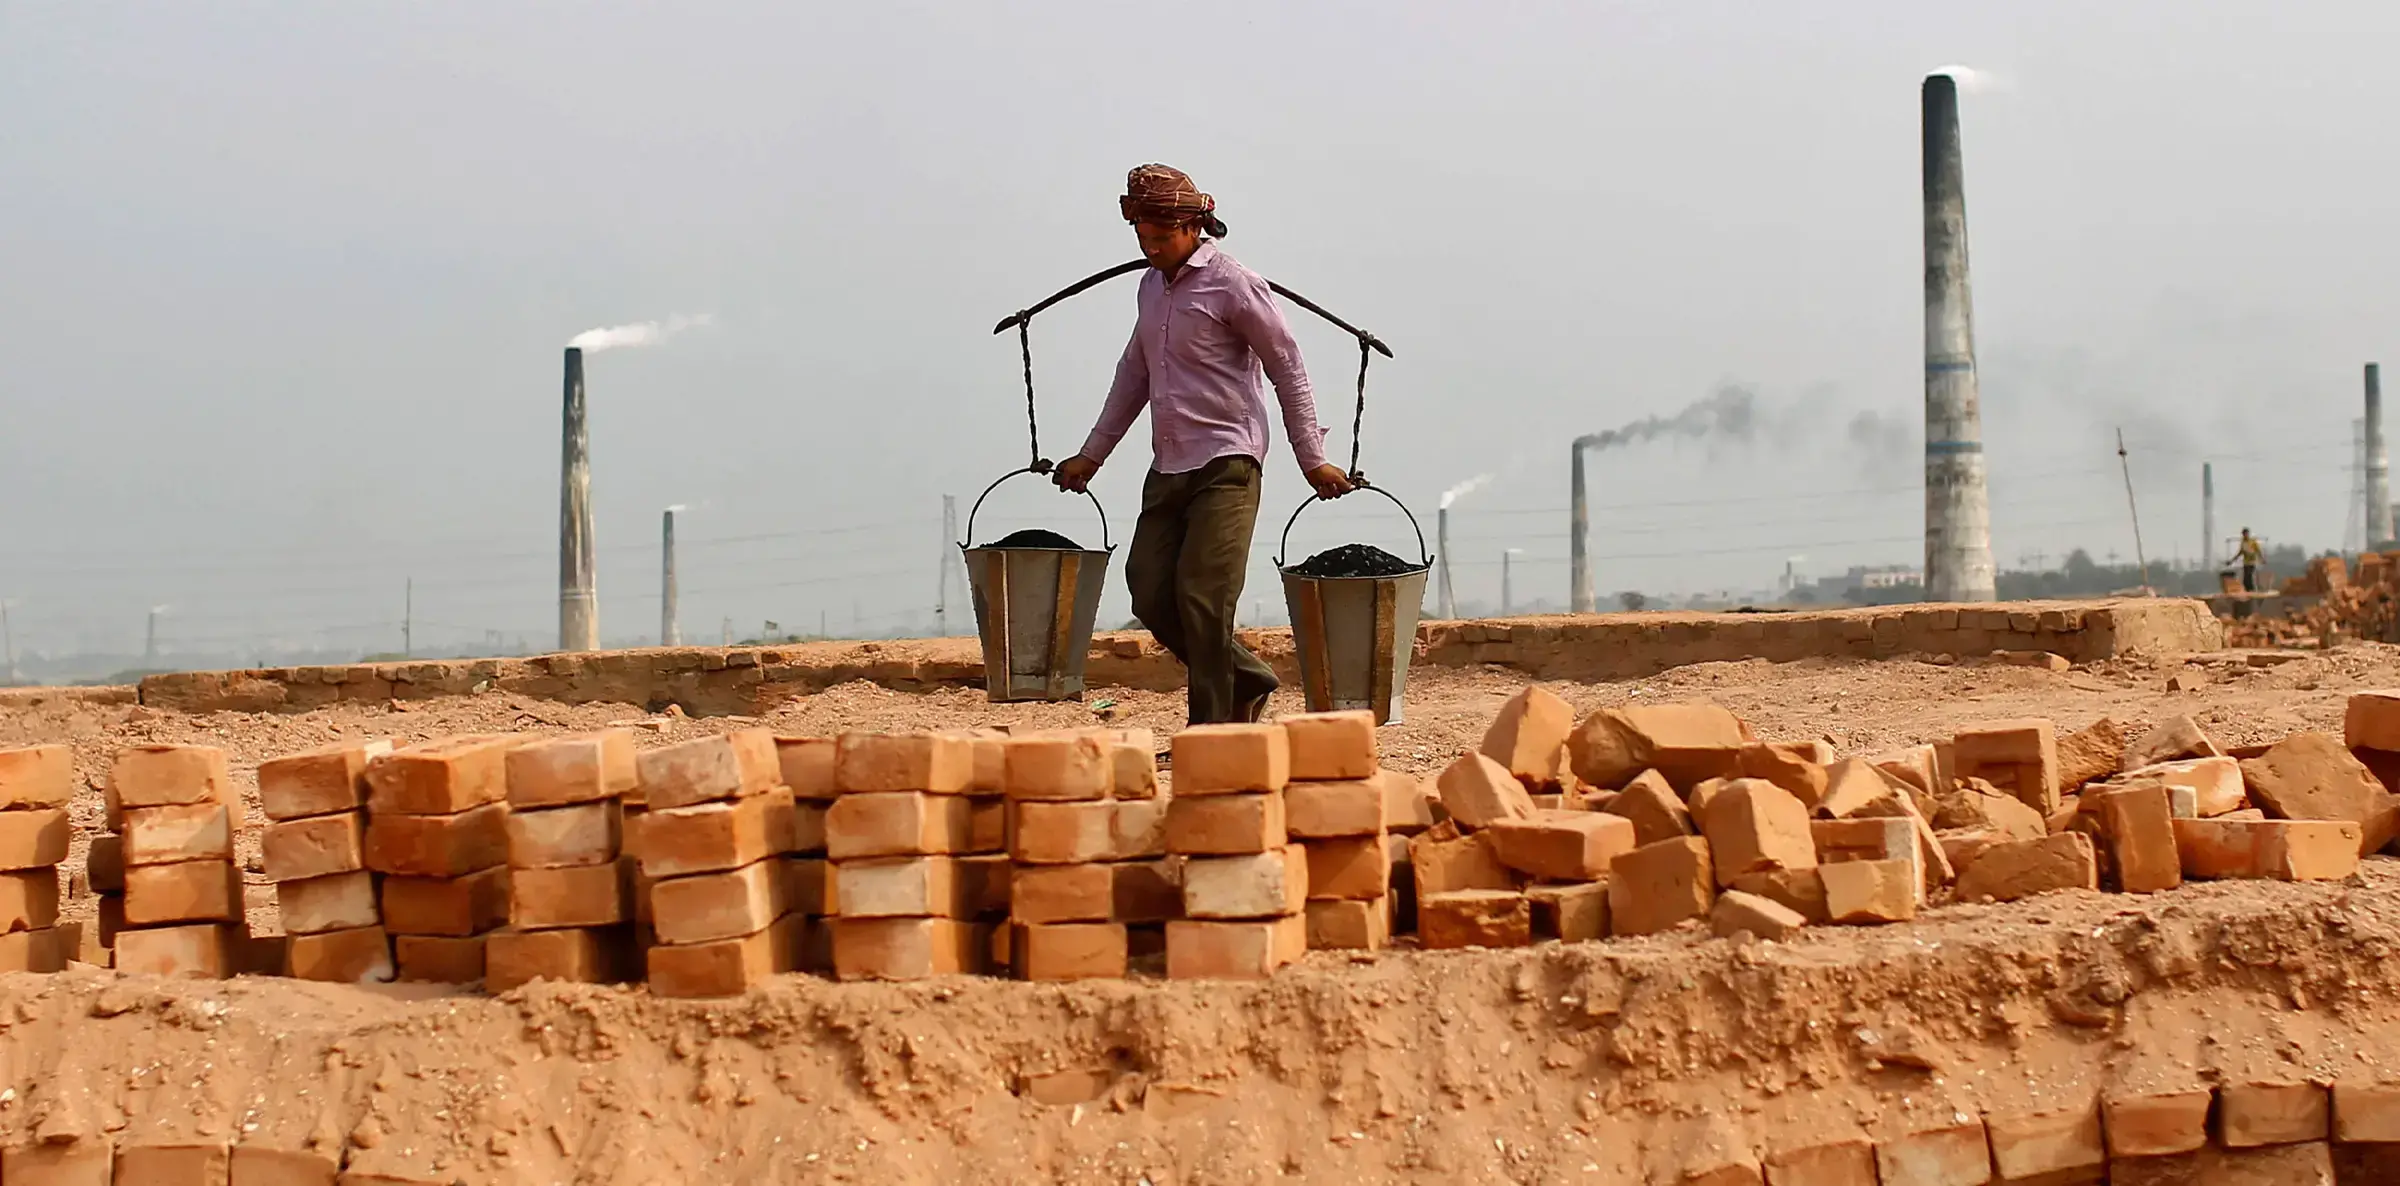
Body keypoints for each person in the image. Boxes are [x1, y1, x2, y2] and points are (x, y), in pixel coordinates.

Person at [1053, 164, 1354, 725]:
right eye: (1143, 238)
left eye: (1162, 238)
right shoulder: (1151, 288)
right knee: (1148, 589)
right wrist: (1091, 455)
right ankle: (1246, 677)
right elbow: (1133, 374)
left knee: (1202, 596)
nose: (1151, 249)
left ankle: (1212, 728)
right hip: (1168, 462)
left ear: (1195, 227)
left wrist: (1312, 458)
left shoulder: (1233, 284)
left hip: (1228, 462)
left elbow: (1286, 365)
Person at [2230, 527, 2264, 592]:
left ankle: (2252, 590)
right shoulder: (2243, 542)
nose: (2245, 535)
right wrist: (2232, 560)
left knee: (2249, 576)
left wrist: (2262, 559)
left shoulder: (2252, 542)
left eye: (2246, 534)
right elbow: (2240, 552)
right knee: (2245, 579)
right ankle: (2247, 590)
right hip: (2246, 563)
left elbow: (2258, 551)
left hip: (2252, 562)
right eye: (2243, 534)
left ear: (2248, 534)